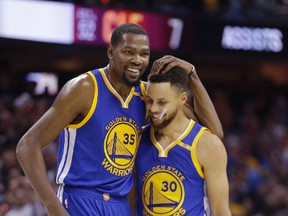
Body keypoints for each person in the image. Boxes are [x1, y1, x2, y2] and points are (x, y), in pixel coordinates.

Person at [16, 23, 222, 216]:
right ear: (110, 52)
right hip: (79, 200)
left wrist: (193, 76)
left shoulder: (146, 96)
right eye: (129, 52)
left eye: (144, 54)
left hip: (120, 206)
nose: (137, 60)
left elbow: (212, 134)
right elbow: (27, 146)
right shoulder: (84, 89)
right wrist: (53, 207)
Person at [135, 67, 231, 215]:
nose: (153, 109)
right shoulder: (138, 138)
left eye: (162, 102)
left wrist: (192, 72)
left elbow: (220, 211)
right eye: (149, 101)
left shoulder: (207, 144)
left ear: (182, 99)